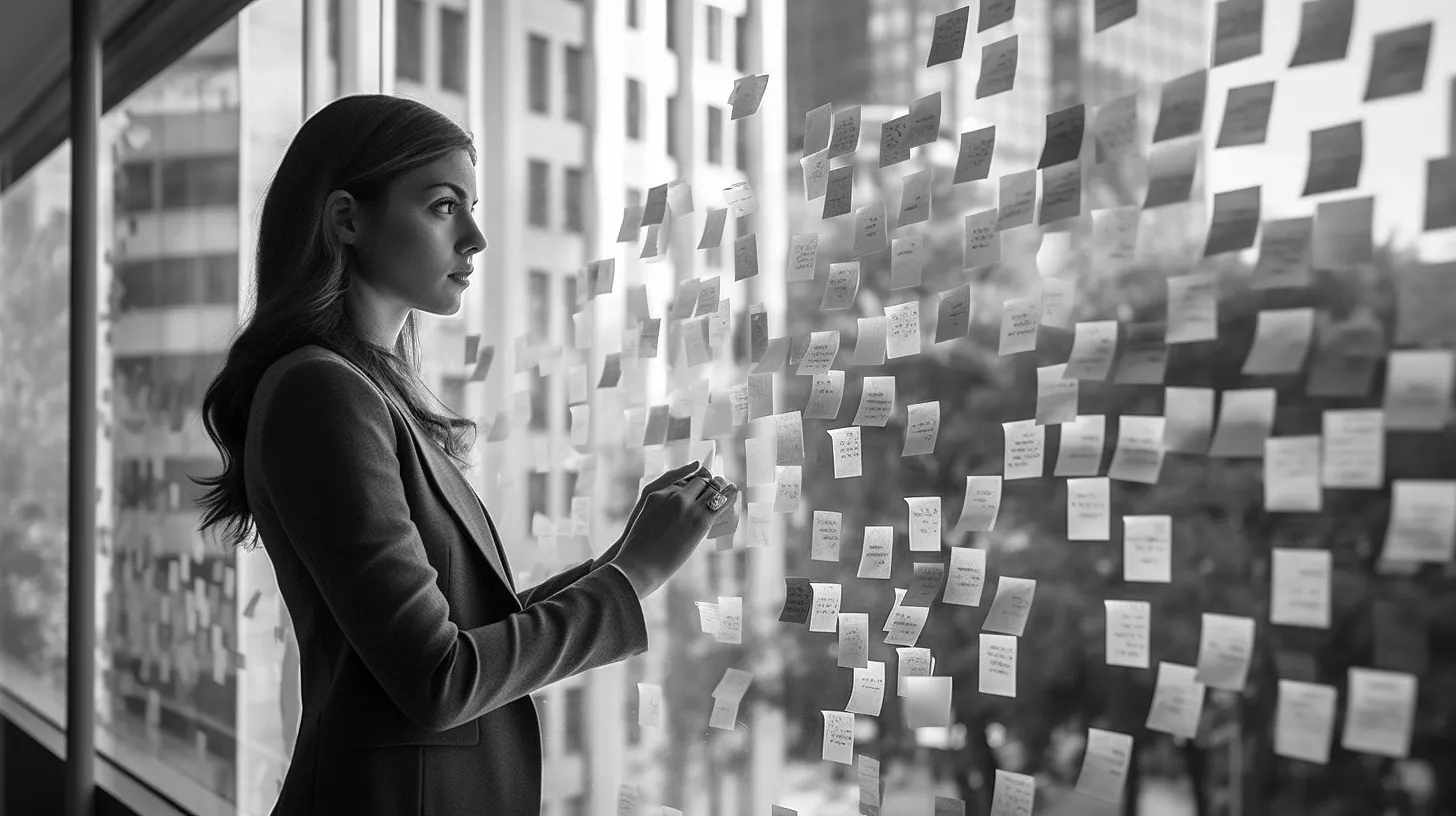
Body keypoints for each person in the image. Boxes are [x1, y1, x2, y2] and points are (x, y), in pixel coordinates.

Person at [189, 94, 738, 815]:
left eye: (470, 208)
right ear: (347, 219)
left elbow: (462, 634)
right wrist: (634, 575)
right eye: (444, 206)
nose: (475, 237)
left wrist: (623, 558)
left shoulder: (361, 390)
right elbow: (440, 678)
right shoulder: (323, 392)